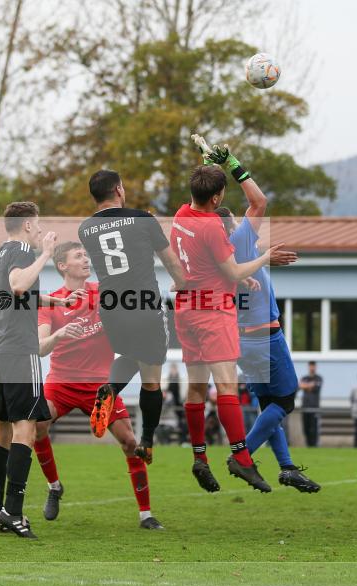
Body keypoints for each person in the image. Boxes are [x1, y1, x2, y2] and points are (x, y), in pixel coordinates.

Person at [169, 143, 282, 494]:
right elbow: (231, 272)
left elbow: (203, 186)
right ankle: (240, 458)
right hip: (212, 312)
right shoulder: (212, 229)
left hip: (187, 310)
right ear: (218, 199)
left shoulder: (181, 215)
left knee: (197, 387)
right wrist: (264, 259)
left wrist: (207, 161)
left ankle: (200, 457)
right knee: (227, 386)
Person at [34, 241, 163, 529]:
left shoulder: (104, 293)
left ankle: (146, 515)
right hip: (62, 383)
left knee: (130, 442)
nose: (85, 259)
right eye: (78, 256)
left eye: (86, 255)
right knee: (36, 424)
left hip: (100, 387)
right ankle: (54, 486)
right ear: (63, 266)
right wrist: (60, 334)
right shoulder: (52, 302)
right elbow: (41, 347)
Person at [207, 169, 321, 493]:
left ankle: (286, 467)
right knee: (285, 401)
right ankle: (242, 456)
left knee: (267, 404)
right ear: (230, 226)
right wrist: (234, 165)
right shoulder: (238, 240)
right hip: (264, 337)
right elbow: (258, 201)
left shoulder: (215, 257)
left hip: (241, 340)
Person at [0, 201, 78, 539]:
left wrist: (55, 301)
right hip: (20, 351)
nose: (39, 231)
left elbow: (14, 295)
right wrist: (46, 253)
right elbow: (20, 285)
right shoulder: (24, 250)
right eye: (37, 226)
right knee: (27, 430)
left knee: (2, 431)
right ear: (26, 226)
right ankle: (14, 512)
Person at [78, 170, 186, 464]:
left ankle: (110, 389)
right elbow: (170, 260)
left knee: (132, 356)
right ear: (118, 189)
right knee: (151, 379)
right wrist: (184, 284)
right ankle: (148, 442)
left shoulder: (85, 229)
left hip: (111, 308)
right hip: (145, 306)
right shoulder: (143, 218)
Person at [299, 361, 323, 448]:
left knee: (314, 429)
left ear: (315, 367)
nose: (312, 368)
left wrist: (306, 386)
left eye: (313, 366)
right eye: (310, 366)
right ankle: (308, 446)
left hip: (314, 408)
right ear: (308, 367)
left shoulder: (319, 378)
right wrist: (309, 385)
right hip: (305, 407)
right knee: (306, 428)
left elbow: (315, 387)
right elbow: (300, 386)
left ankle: (314, 446)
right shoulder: (305, 377)